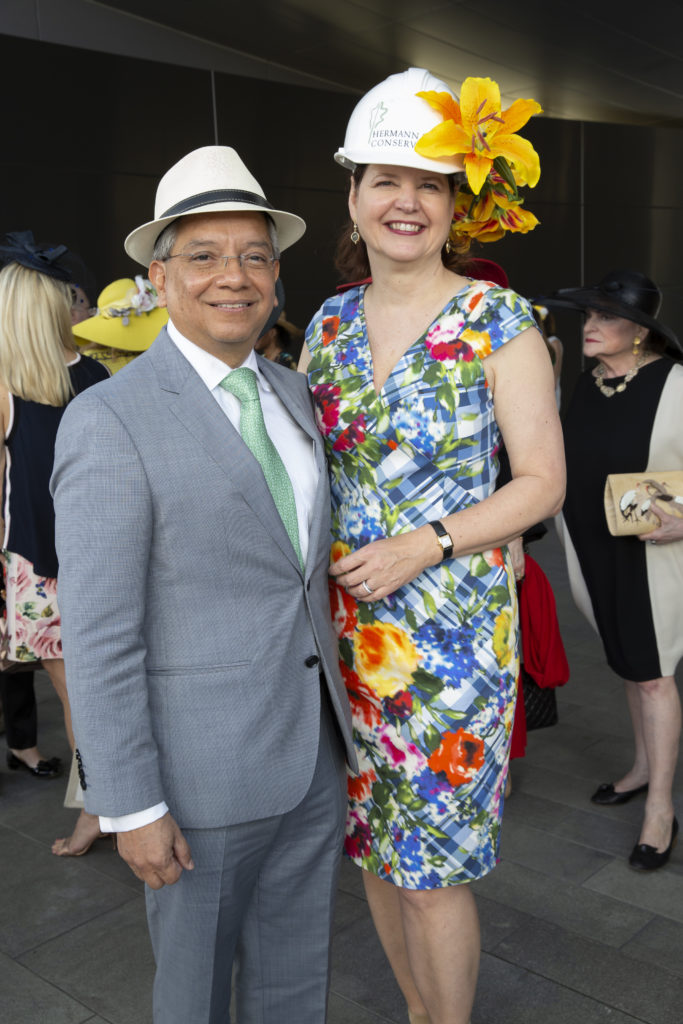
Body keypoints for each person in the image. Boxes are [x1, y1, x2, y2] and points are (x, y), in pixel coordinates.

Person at [51, 145, 356, 1024]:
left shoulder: (296, 396)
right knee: (192, 997)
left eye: (255, 255)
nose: (235, 276)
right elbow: (100, 630)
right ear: (157, 275)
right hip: (193, 779)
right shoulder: (108, 418)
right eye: (205, 255)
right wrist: (130, 803)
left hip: (311, 759)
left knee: (295, 985)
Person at [301, 68, 565, 1024]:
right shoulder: (326, 325)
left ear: (457, 205)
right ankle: (417, 1011)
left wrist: (433, 540)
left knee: (431, 872)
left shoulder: (500, 321)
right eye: (384, 180)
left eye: (428, 184)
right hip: (348, 635)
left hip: (451, 637)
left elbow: (541, 479)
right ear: (353, 196)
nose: (404, 202)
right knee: (370, 846)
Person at [544, 269, 683, 871]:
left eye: (605, 318)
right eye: (587, 318)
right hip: (595, 545)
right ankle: (644, 766)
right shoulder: (588, 382)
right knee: (630, 664)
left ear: (642, 332)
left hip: (655, 552)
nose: (590, 329)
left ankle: (659, 808)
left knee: (654, 672)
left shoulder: (675, 383)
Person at [0, 230, 109, 843]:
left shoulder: (7, 387)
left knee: (82, 702)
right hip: (98, 561)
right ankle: (107, 802)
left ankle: (100, 807)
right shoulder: (97, 375)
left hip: (42, 571)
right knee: (102, 696)